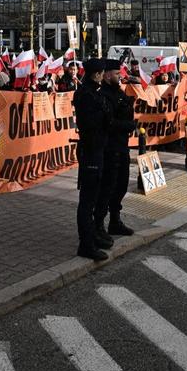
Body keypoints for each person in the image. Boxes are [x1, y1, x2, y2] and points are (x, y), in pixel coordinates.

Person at [72, 58, 112, 261]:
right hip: (90, 150)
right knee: (87, 200)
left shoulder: (93, 92)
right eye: (101, 73)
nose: (103, 76)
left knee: (94, 197)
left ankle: (92, 237)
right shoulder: (86, 95)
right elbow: (93, 122)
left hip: (97, 148)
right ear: (95, 74)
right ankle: (86, 244)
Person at [94, 59, 136, 239]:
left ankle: (115, 220)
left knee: (121, 185)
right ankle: (99, 226)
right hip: (110, 148)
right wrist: (128, 125)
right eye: (117, 73)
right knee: (107, 187)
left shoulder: (118, 92)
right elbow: (108, 122)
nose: (120, 76)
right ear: (107, 74)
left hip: (121, 146)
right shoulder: (103, 94)